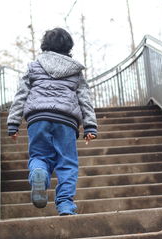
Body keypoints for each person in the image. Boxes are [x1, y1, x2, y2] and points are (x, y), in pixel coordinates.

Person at [7, 27, 97, 216]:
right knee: (67, 163)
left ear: (45, 45)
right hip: (66, 119)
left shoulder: (34, 66)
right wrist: (90, 126)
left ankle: (39, 172)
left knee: (39, 157)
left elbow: (21, 95)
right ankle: (65, 204)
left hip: (38, 118)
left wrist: (13, 123)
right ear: (68, 47)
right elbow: (85, 99)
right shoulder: (75, 71)